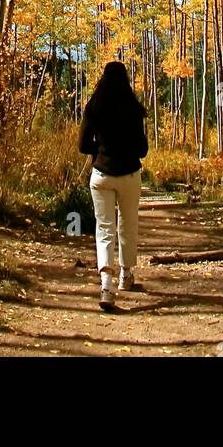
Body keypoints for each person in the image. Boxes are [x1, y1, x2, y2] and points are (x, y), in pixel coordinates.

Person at [77, 60, 149, 311]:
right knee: (128, 225)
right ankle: (125, 276)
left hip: (101, 175)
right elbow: (142, 149)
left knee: (104, 229)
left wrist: (101, 150)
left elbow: (83, 146)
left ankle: (105, 285)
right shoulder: (134, 108)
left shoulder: (94, 107)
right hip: (129, 174)